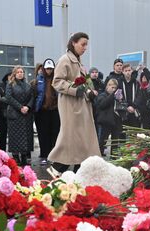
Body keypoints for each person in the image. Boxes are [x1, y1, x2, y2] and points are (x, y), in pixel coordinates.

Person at [48, 32, 101, 175]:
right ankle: (58, 168)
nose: (85, 48)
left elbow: (84, 84)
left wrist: (89, 92)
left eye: (86, 45)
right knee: (71, 139)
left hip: (81, 106)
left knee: (82, 141)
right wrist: (75, 89)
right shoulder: (65, 60)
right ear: (74, 43)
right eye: (83, 44)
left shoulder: (78, 62)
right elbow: (57, 82)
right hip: (70, 106)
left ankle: (79, 172)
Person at [5, 65, 34, 166]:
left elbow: (32, 97)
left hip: (25, 114)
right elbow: (8, 97)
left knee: (25, 136)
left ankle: (24, 156)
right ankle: (16, 156)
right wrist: (20, 107)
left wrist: (28, 107)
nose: (20, 73)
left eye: (21, 72)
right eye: (18, 72)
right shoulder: (10, 85)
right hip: (15, 114)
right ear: (14, 74)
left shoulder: (27, 85)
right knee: (15, 137)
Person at [34, 58, 60, 165]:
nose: (49, 71)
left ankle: (54, 155)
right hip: (42, 111)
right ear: (44, 69)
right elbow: (35, 94)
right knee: (43, 134)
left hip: (55, 110)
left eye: (51, 69)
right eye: (47, 68)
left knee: (55, 133)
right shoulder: (38, 80)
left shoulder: (57, 79)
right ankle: (44, 155)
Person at [96, 79, 123, 156]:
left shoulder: (115, 96)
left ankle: (114, 156)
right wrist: (113, 96)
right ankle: (99, 154)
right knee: (102, 141)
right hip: (105, 121)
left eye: (115, 88)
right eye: (112, 87)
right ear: (107, 86)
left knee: (115, 140)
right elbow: (102, 105)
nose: (114, 89)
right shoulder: (102, 95)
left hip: (116, 120)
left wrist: (120, 100)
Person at [119, 63, 141, 129]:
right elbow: (118, 96)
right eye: (126, 71)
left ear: (132, 71)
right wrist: (126, 107)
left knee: (134, 132)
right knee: (122, 133)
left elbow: (139, 96)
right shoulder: (119, 82)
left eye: (129, 70)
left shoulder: (136, 83)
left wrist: (133, 106)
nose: (128, 72)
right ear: (122, 72)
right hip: (124, 111)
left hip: (134, 110)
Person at [0, 72, 10, 151]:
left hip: (12, 112)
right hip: (2, 113)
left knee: (13, 135)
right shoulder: (0, 85)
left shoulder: (15, 85)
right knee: (3, 134)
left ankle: (14, 153)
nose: (11, 77)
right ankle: (2, 151)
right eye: (9, 76)